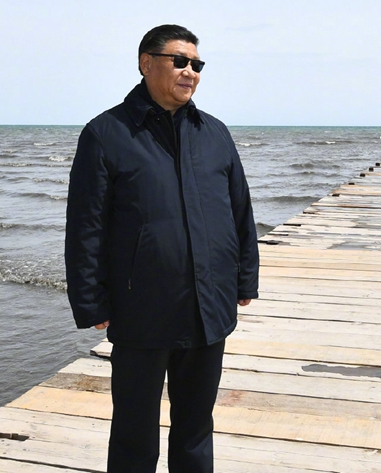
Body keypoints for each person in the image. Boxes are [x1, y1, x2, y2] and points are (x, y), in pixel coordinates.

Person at [65, 24, 259, 472]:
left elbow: (240, 211)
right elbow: (86, 226)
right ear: (146, 63)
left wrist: (245, 277)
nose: (191, 71)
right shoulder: (106, 133)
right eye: (180, 61)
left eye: (197, 64)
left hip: (208, 307)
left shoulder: (215, 133)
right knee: (134, 434)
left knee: (196, 428)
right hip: (142, 310)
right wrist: (91, 300)